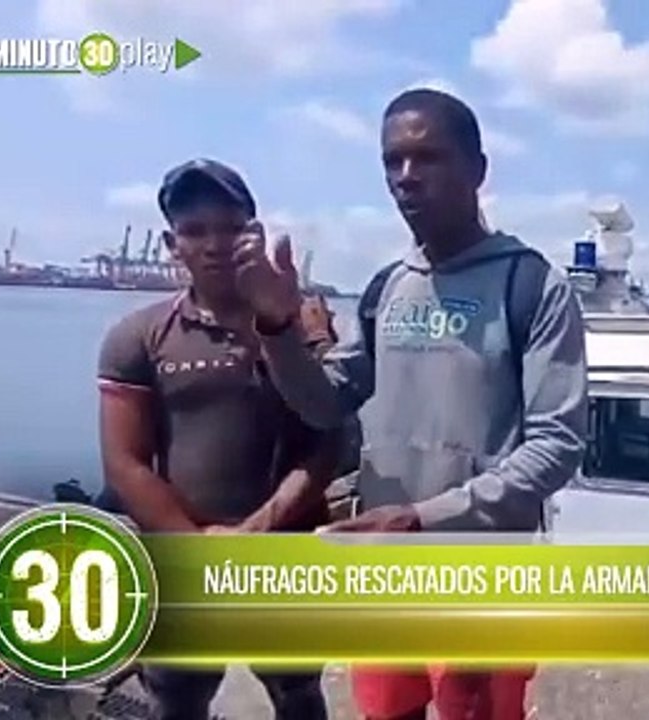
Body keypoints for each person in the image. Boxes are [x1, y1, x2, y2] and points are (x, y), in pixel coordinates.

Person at [230, 88, 589, 720]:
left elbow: (557, 444)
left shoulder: (531, 284)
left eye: (427, 158)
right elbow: (324, 403)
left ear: (478, 169)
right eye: (392, 161)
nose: (406, 178)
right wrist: (276, 327)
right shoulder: (387, 287)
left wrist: (424, 516)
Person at [96, 158, 340, 720]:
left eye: (231, 228)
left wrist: (257, 531)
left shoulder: (304, 325)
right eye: (195, 231)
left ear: (254, 234)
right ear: (170, 243)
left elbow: (327, 439)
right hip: (182, 562)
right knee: (177, 697)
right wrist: (199, 543)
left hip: (284, 559)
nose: (215, 244)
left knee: (298, 691)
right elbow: (126, 463)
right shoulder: (137, 337)